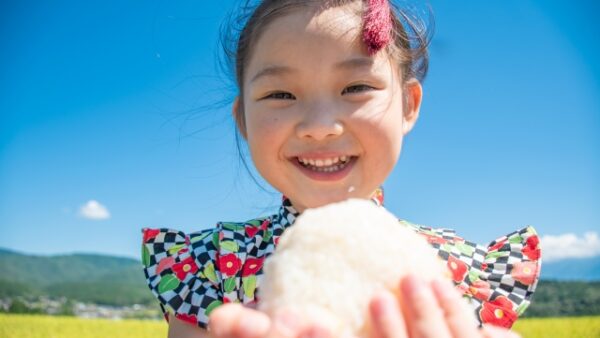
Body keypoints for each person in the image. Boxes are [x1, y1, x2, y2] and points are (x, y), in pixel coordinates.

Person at [141, 0, 541, 337]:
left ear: (409, 105)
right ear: (243, 120)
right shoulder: (211, 267)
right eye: (280, 93)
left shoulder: (449, 272)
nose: (319, 127)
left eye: (355, 88)